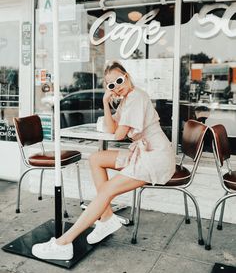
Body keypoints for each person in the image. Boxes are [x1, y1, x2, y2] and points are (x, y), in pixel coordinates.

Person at [32, 60, 176, 260]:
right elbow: (110, 128)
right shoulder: (126, 100)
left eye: (119, 80)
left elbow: (118, 136)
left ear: (126, 76)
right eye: (111, 84)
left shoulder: (136, 97)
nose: (117, 85)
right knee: (96, 158)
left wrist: (114, 116)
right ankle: (106, 217)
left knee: (107, 190)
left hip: (155, 156)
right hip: (143, 153)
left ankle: (64, 243)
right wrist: (105, 103)